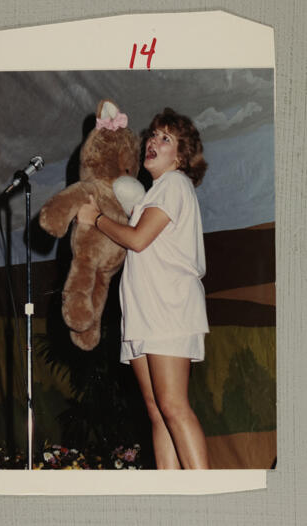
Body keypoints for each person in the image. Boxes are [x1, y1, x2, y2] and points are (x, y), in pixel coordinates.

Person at [77, 108, 209, 469]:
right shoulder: (152, 195)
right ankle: (170, 499)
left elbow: (138, 240)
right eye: (153, 135)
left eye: (165, 139)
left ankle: (210, 498)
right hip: (143, 314)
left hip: (169, 310)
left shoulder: (175, 184)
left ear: (181, 157)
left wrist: (97, 219)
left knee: (173, 407)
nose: (152, 141)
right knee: (156, 412)